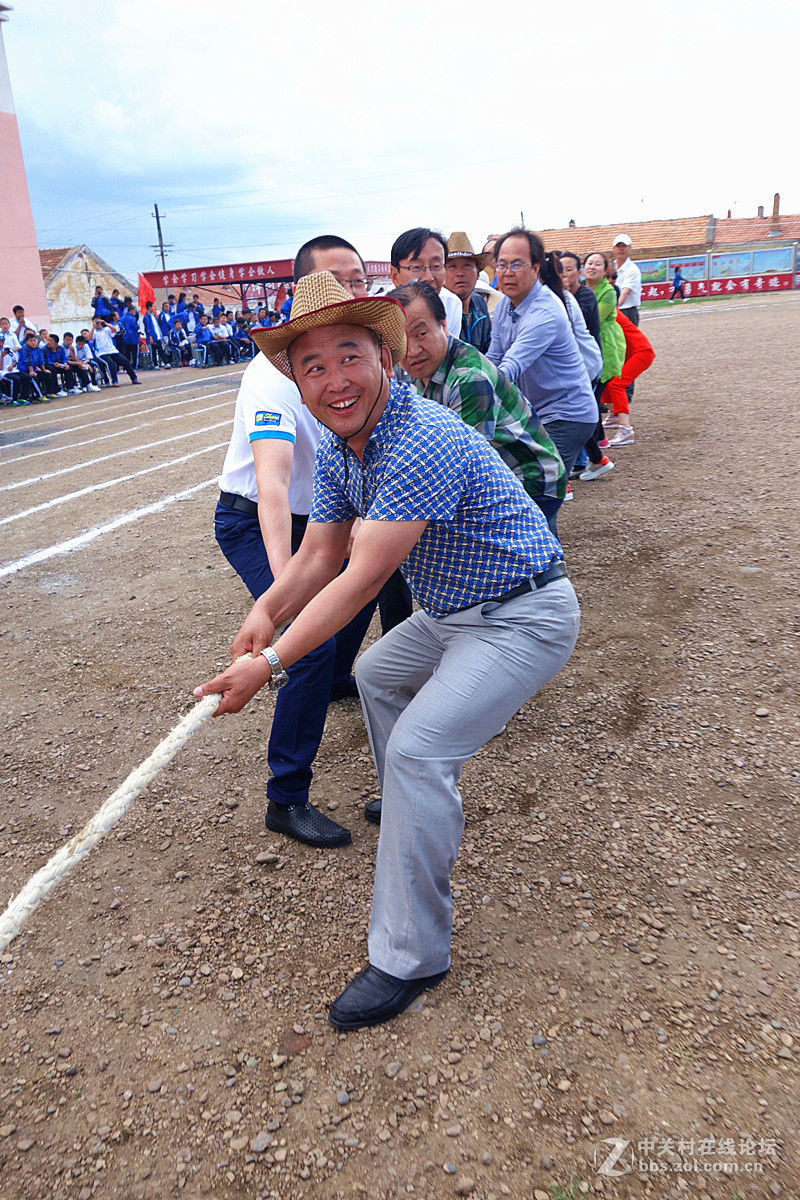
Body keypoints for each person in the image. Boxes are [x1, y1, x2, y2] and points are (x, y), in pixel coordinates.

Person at [194, 271, 581, 1030]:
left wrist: (268, 665)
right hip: (452, 613)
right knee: (375, 672)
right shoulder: (344, 445)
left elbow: (357, 579)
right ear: (297, 384)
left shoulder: (419, 439)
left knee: (416, 752)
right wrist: (264, 611)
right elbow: (316, 558)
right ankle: (414, 802)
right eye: (313, 366)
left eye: (349, 355)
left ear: (386, 356)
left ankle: (411, 956)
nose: (334, 379)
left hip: (521, 614)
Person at [212, 235, 382, 850]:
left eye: (358, 279)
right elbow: (273, 482)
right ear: (301, 293)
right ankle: (286, 798)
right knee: (305, 643)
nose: (348, 293)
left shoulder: (361, 358)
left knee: (356, 596)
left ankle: (335, 679)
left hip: (325, 515)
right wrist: (286, 601)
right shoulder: (275, 377)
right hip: (258, 515)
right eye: (334, 281)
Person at [389, 279, 566, 539]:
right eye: (401, 340)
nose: (413, 350)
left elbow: (467, 469)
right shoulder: (405, 369)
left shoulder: (469, 379)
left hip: (530, 477)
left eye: (421, 333)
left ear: (443, 325)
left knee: (527, 562)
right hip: (496, 473)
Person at [486, 228, 599, 482]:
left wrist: (469, 394)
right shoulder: (505, 303)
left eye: (517, 264)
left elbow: (509, 368)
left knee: (538, 492)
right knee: (521, 488)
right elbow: (494, 357)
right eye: (502, 265)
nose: (507, 272)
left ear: (536, 267)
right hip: (535, 413)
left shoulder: (544, 312)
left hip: (567, 415)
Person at [580, 251, 625, 478]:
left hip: (603, 348)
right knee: (589, 402)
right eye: (589, 263)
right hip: (586, 351)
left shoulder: (608, 292)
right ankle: (598, 444)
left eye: (598, 264)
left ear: (605, 269)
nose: (593, 267)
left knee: (590, 401)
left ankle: (597, 447)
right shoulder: (579, 289)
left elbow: (592, 318)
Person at [389, 228, 463, 337]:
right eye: (417, 267)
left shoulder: (452, 304)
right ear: (395, 275)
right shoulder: (377, 312)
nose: (428, 277)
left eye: (436, 266)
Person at [602, 310, 656, 446]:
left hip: (641, 352)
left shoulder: (605, 309)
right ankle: (614, 415)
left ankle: (626, 430)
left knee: (616, 384)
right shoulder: (602, 306)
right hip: (627, 354)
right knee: (606, 378)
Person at [444, 232, 493, 353]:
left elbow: (489, 350)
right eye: (452, 266)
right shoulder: (438, 308)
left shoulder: (479, 303)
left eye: (467, 265)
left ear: (478, 273)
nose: (460, 273)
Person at [88, 317, 140, 386]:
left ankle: (134, 378)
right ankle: (114, 380)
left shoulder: (106, 329)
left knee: (125, 361)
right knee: (110, 363)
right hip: (101, 353)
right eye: (95, 321)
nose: (98, 323)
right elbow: (90, 338)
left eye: (98, 321)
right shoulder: (94, 332)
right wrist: (93, 327)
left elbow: (114, 329)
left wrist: (105, 323)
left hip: (112, 350)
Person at [612, 234, 642, 326]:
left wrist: (613, 309)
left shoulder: (633, 269)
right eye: (618, 246)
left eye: (624, 246)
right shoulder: (610, 267)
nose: (621, 249)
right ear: (613, 249)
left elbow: (625, 292)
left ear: (630, 248)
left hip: (627, 311)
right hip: (613, 309)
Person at [144, 302, 169, 369]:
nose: (153, 308)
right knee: (153, 351)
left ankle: (166, 362)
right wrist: (150, 337)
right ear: (149, 307)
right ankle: (155, 364)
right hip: (152, 338)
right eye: (152, 306)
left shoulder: (154, 316)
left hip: (157, 336)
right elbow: (147, 328)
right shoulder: (147, 317)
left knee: (161, 350)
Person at [119, 304, 141, 370]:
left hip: (124, 338)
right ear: (131, 310)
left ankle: (126, 367)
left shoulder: (121, 318)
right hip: (133, 338)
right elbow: (136, 327)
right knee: (135, 354)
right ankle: (134, 367)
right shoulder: (132, 319)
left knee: (126, 354)